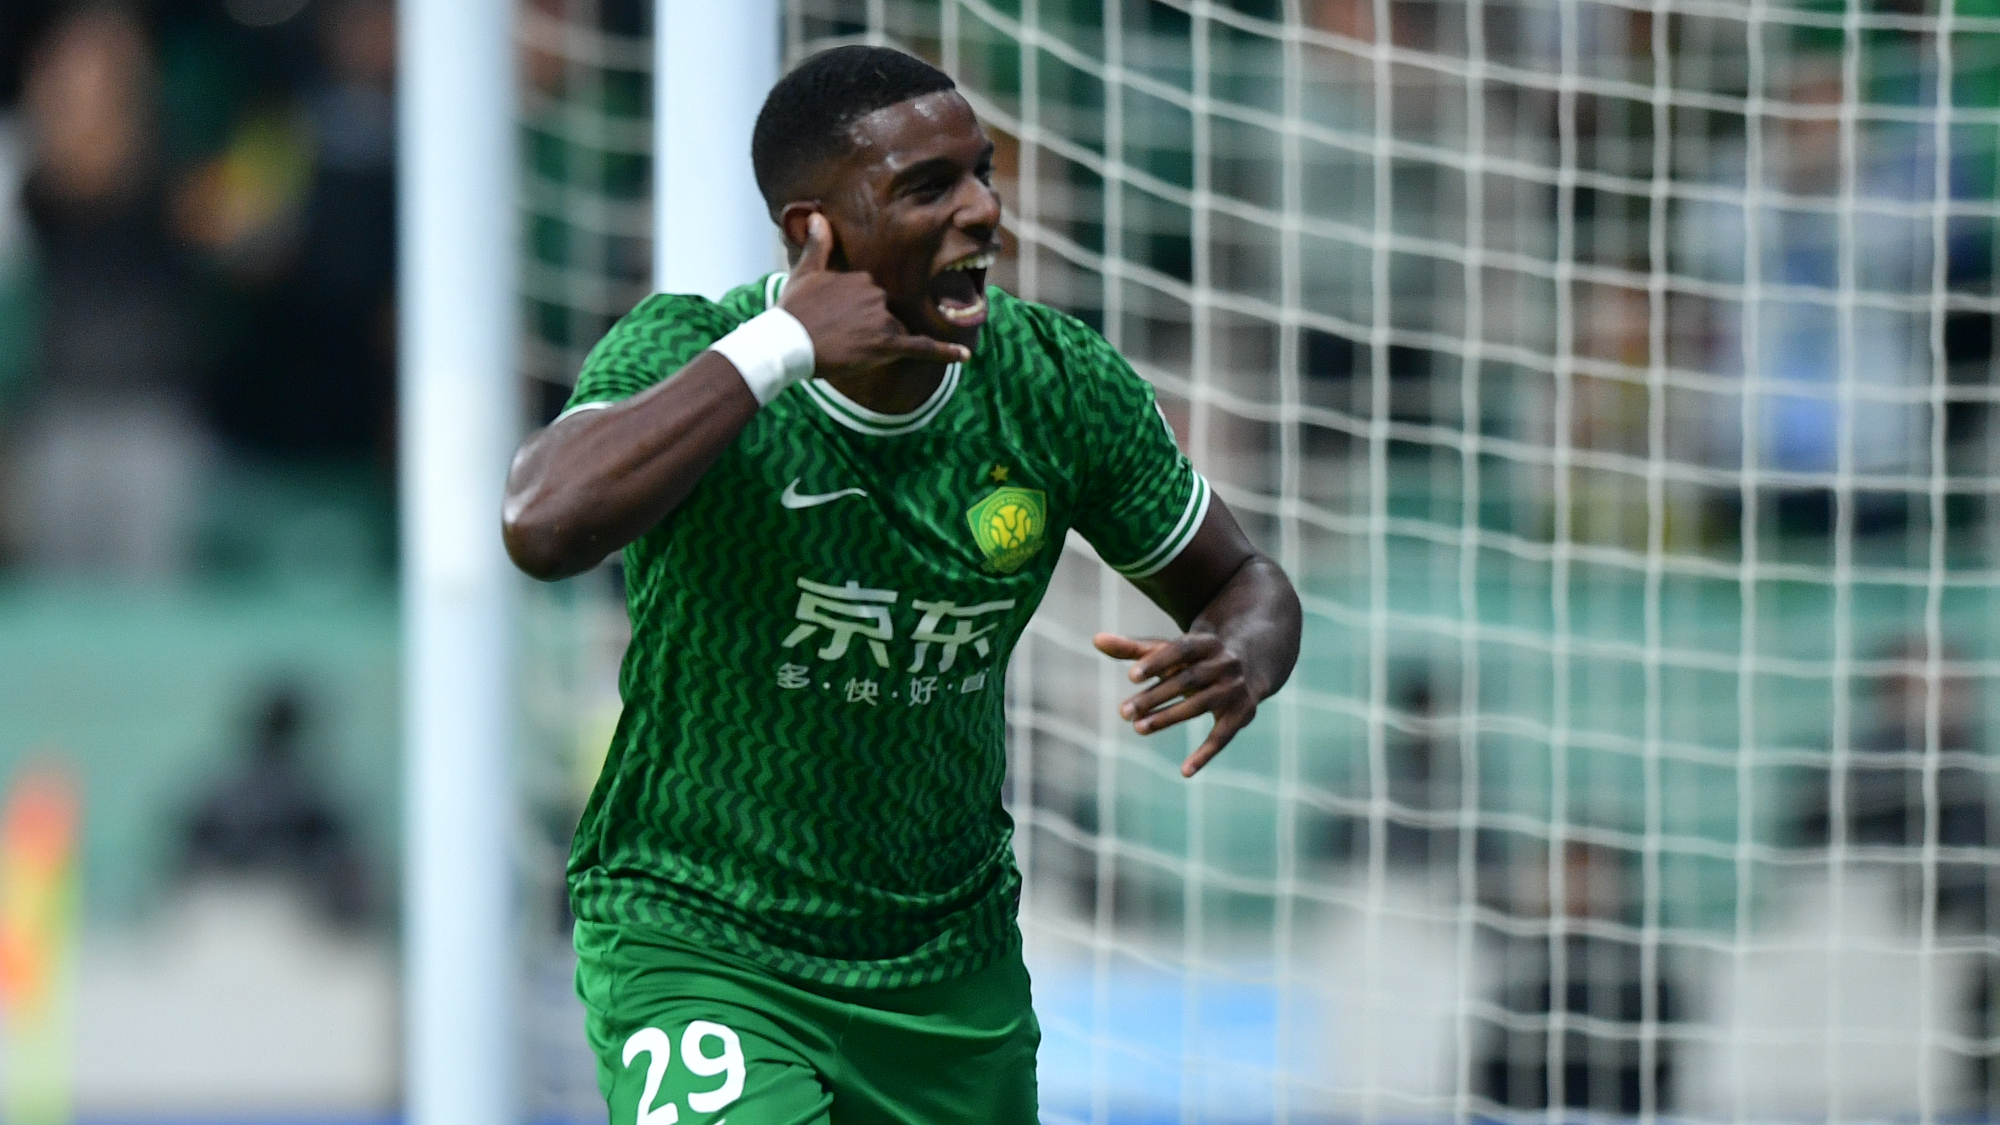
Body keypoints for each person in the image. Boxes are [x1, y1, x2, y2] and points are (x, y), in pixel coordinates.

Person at [501, 45, 1303, 1125]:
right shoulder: (692, 350)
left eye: (981, 173)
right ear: (810, 230)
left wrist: (1243, 648)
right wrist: (782, 343)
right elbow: (540, 524)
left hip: (940, 961)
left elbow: (1243, 580)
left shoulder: (1055, 386)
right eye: (928, 187)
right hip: (701, 936)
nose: (982, 212)